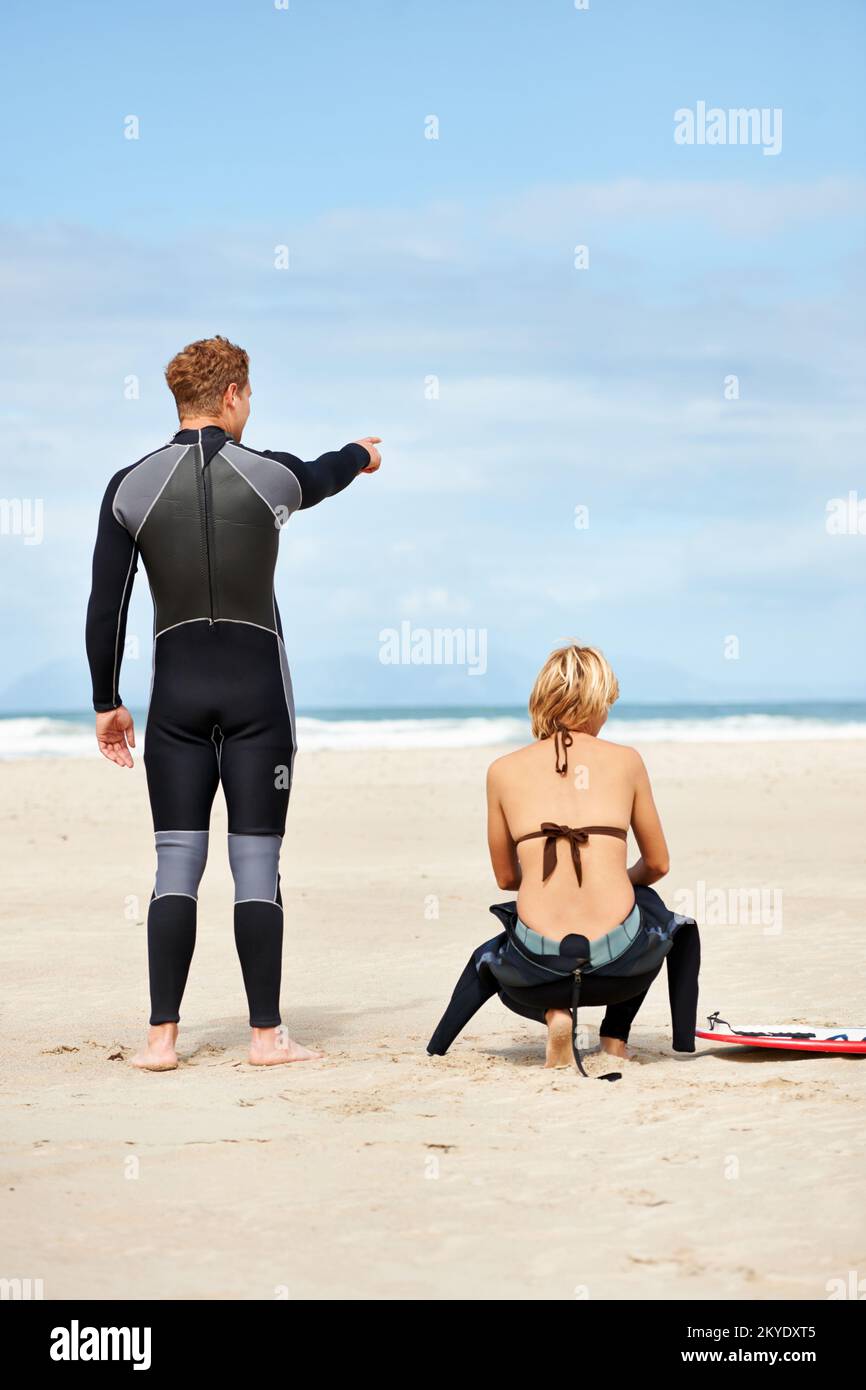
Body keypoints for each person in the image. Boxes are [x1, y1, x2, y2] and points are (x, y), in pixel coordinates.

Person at [85, 335, 381, 1071]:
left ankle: (160, 1040)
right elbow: (324, 474)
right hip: (257, 704)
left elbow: (107, 608)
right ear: (232, 396)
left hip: (176, 706)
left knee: (174, 865)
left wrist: (106, 701)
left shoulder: (129, 485)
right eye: (249, 395)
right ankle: (265, 1037)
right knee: (257, 866)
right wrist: (361, 454)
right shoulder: (271, 477)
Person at [427, 643, 700, 1074]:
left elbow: (504, 877)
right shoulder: (627, 761)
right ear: (596, 702)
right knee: (653, 910)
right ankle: (615, 1038)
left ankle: (556, 1016)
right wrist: (613, 876)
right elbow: (659, 864)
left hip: (537, 975)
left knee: (499, 953)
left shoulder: (502, 769)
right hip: (621, 968)